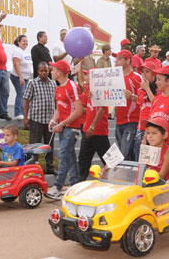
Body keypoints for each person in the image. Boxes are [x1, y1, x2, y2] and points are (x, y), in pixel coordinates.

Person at [45, 61, 84, 199]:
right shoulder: (58, 88)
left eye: (53, 70)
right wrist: (54, 120)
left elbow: (79, 111)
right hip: (63, 127)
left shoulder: (72, 86)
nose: (51, 72)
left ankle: (57, 186)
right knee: (70, 157)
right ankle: (75, 186)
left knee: (64, 156)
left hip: (72, 129)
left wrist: (62, 123)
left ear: (60, 72)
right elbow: (59, 108)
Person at [23, 62, 56, 174]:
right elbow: (26, 101)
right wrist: (25, 118)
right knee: (34, 145)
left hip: (50, 121)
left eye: (46, 70)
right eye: (42, 71)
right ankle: (31, 168)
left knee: (49, 145)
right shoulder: (32, 83)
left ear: (49, 71)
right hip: (36, 119)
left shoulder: (53, 83)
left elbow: (56, 101)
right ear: (38, 71)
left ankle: (50, 167)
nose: (44, 73)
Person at [77, 68, 110, 181]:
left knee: (108, 161)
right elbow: (81, 81)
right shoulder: (88, 88)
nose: (86, 78)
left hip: (99, 131)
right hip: (88, 130)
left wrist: (92, 126)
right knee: (83, 159)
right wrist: (81, 65)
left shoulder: (102, 90)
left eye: (88, 76)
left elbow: (102, 110)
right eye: (86, 75)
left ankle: (113, 182)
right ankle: (79, 184)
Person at [113, 49, 143, 161]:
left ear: (127, 61)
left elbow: (145, 99)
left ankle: (129, 177)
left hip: (132, 121)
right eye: (116, 59)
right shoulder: (115, 78)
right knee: (125, 154)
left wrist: (132, 97)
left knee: (124, 154)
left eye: (119, 59)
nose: (117, 61)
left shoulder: (136, 77)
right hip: (119, 121)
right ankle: (130, 176)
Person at [134, 61, 159, 160]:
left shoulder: (158, 88)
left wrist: (147, 88)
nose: (144, 74)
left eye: (147, 72)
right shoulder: (140, 90)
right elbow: (141, 106)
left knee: (151, 160)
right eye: (143, 72)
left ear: (153, 73)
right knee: (139, 159)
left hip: (153, 128)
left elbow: (156, 104)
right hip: (141, 128)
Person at [144, 115, 169, 181]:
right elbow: (141, 170)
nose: (150, 136)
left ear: (165, 135)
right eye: (148, 133)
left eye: (154, 133)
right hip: (151, 184)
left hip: (167, 185)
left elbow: (162, 176)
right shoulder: (149, 150)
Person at [11, 35, 33, 120]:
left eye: (26, 41)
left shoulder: (26, 52)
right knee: (21, 93)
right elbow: (16, 64)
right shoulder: (17, 51)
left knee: (25, 95)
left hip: (26, 77)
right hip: (17, 77)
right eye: (23, 41)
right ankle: (18, 113)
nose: (25, 43)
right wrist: (20, 77)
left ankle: (24, 113)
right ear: (19, 42)